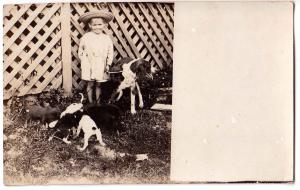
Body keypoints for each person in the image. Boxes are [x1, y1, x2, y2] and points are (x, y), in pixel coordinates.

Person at [78, 10, 114, 104]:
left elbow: (110, 52)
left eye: (99, 24)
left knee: (98, 84)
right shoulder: (86, 37)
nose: (97, 27)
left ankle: (98, 103)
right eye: (94, 25)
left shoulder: (106, 38)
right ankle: (90, 103)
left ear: (104, 25)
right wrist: (84, 61)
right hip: (89, 64)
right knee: (90, 84)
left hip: (100, 64)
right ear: (90, 26)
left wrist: (108, 64)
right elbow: (80, 51)